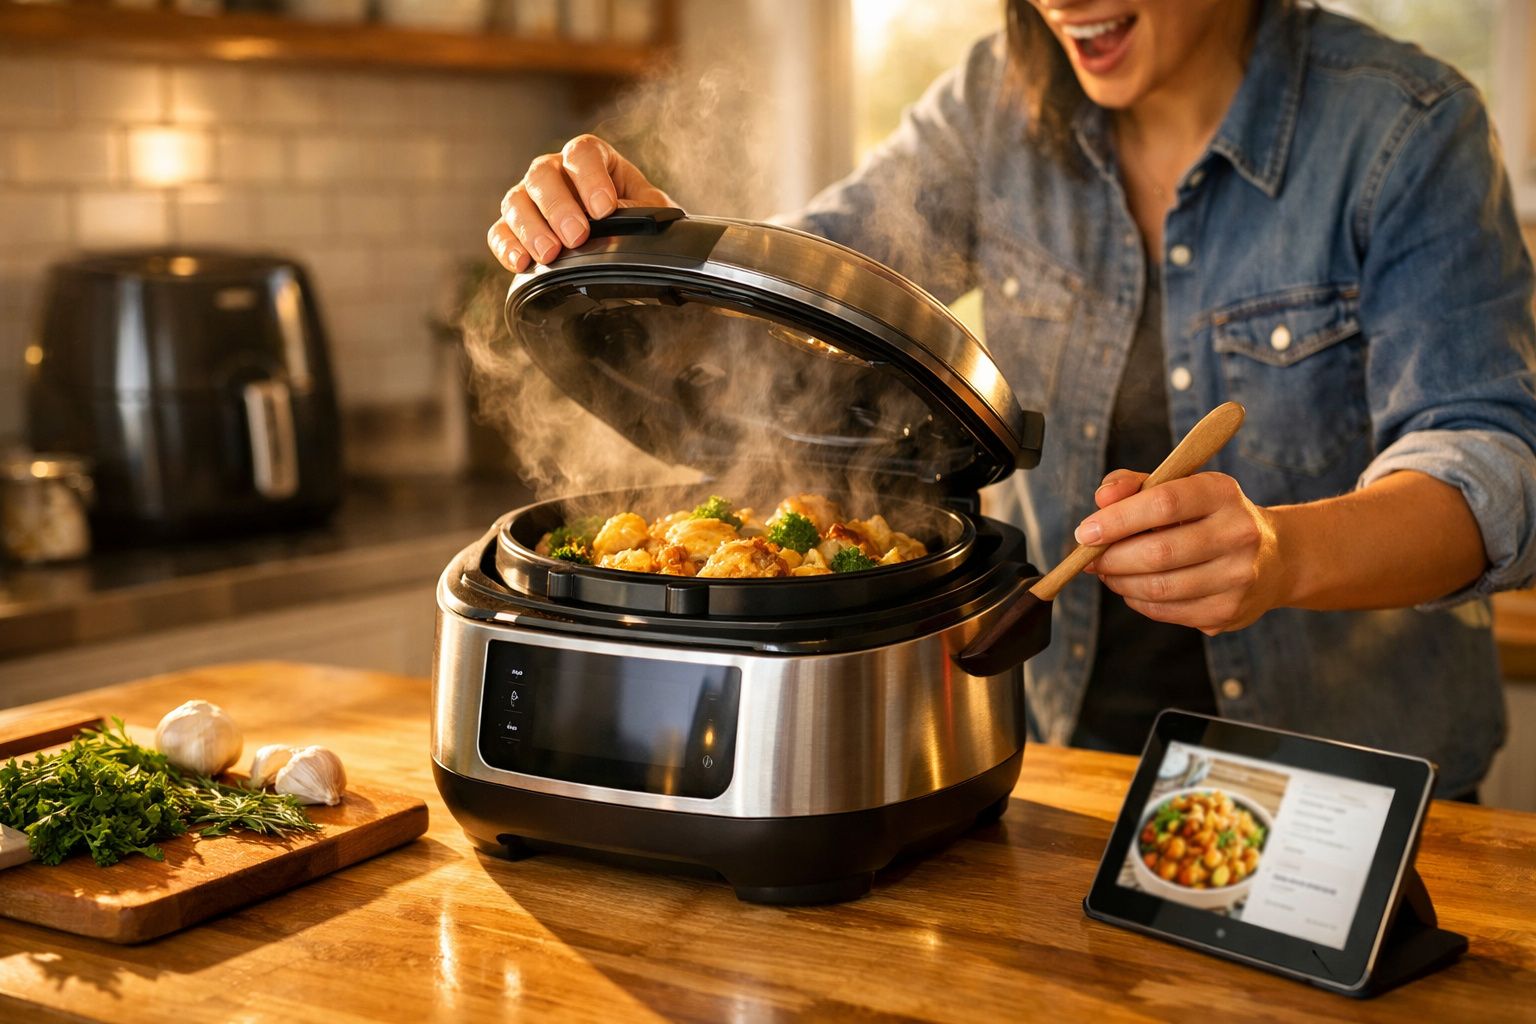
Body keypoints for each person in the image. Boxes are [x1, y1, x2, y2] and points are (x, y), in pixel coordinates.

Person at [485, 0, 1536, 797]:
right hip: (1073, 773)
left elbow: (1491, 464)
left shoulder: (1408, 127)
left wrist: (1280, 553)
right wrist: (664, 248)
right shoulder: (990, 114)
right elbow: (799, 310)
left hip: (1351, 786)